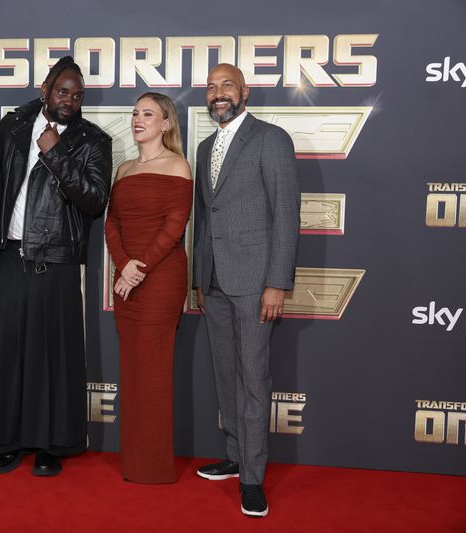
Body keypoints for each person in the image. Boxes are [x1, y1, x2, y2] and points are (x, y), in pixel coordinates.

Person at [0, 56, 112, 476]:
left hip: (56, 261)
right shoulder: (12, 126)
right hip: (7, 258)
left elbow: (94, 201)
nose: (70, 100)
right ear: (45, 89)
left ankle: (52, 444)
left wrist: (57, 154)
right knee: (6, 356)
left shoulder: (92, 141)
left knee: (54, 359)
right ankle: (8, 442)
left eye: (78, 94)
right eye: (63, 91)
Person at [192, 64, 300, 516]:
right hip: (214, 281)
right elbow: (206, 216)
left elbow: (285, 214)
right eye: (212, 87)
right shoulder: (203, 147)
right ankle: (235, 456)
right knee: (225, 375)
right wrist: (200, 277)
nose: (219, 94)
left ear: (245, 92)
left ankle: (253, 479)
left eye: (227, 86)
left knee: (253, 381)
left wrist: (276, 282)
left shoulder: (271, 139)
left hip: (255, 283)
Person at [104, 93, 192, 484]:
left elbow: (175, 225)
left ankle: (154, 467)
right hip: (127, 283)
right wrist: (124, 267)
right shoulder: (122, 170)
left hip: (159, 280)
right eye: (135, 113)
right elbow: (112, 224)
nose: (138, 120)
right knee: (132, 368)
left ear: (166, 123)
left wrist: (138, 269)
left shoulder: (178, 165)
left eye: (148, 114)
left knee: (154, 370)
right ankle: (134, 461)